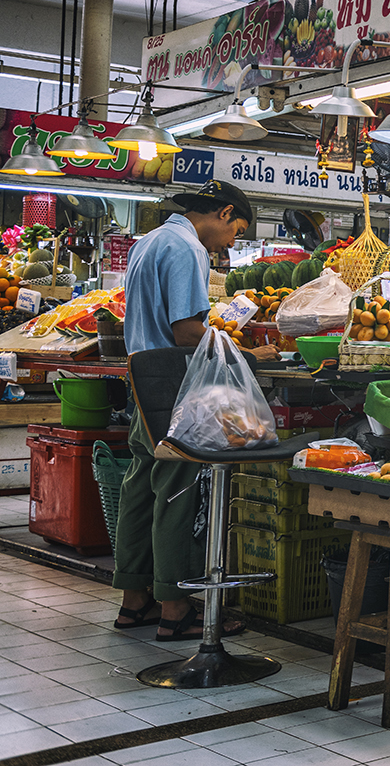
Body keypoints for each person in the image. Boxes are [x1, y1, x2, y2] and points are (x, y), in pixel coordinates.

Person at [113, 180, 279, 641]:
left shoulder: (149, 241)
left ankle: (134, 601)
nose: (232, 243)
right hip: (174, 384)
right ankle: (175, 608)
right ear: (223, 212)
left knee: (141, 488)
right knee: (175, 489)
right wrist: (246, 356)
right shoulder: (188, 248)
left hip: (141, 378)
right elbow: (186, 331)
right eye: (237, 231)